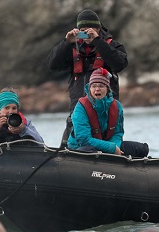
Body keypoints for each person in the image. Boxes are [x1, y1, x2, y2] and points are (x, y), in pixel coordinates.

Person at [47, 9, 128, 146]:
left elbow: (120, 64)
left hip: (105, 110)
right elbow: (52, 64)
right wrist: (66, 42)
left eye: (90, 30)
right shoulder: (71, 47)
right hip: (78, 109)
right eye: (83, 30)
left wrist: (98, 41)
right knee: (70, 146)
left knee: (107, 145)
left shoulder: (112, 45)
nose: (86, 34)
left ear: (98, 29)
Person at [67, 68, 148, 157]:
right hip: (82, 147)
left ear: (107, 89)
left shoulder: (117, 106)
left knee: (142, 149)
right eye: (94, 86)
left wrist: (115, 148)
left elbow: (117, 133)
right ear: (89, 88)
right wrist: (110, 148)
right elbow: (84, 139)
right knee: (89, 151)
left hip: (109, 146)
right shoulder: (80, 107)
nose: (97, 89)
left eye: (101, 86)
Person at [0, 88, 44, 153]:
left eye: (14, 108)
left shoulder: (24, 122)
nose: (10, 112)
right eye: (7, 108)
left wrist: (24, 130)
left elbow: (41, 145)